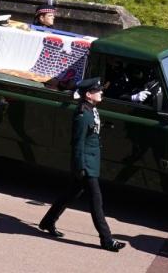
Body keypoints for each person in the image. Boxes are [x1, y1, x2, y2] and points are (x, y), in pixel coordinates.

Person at [39, 76, 124, 252]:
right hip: (86, 165)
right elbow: (77, 144)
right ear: (88, 95)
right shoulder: (82, 115)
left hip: (91, 162)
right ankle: (107, 240)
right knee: (96, 201)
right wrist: (79, 167)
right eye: (97, 90)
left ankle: (47, 222)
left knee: (70, 194)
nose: (101, 92)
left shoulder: (91, 109)